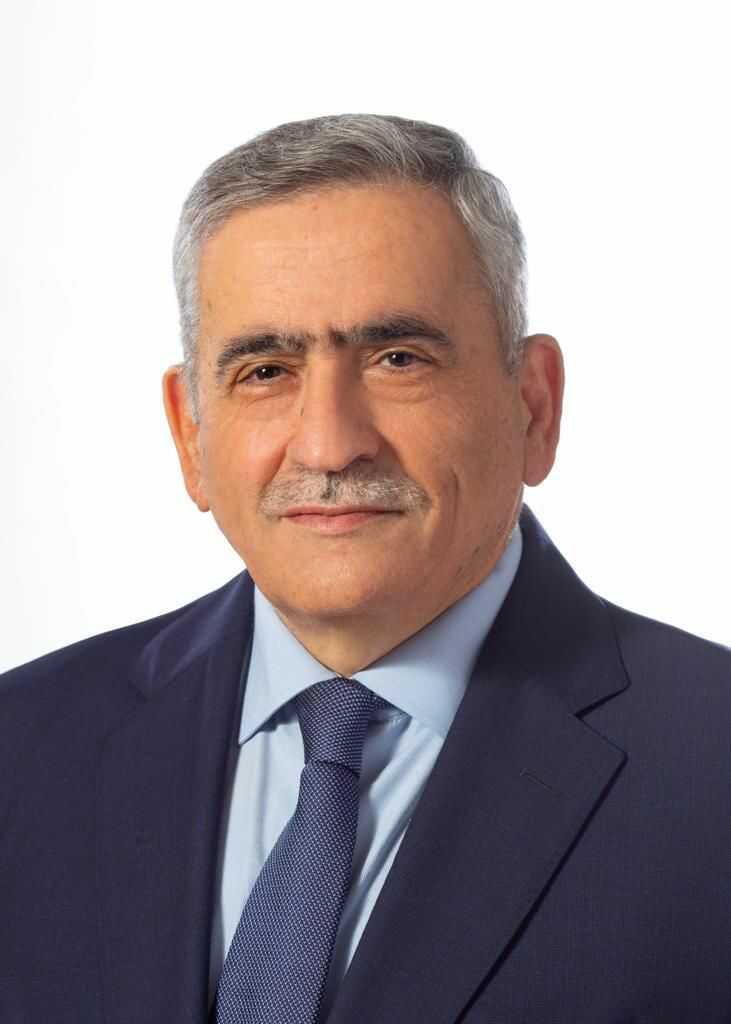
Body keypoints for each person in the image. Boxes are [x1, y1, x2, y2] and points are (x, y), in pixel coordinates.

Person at [1, 113, 728, 1024]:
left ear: (532, 406)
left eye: (397, 358)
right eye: (266, 371)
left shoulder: (710, 764)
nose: (329, 443)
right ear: (190, 433)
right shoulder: (21, 746)